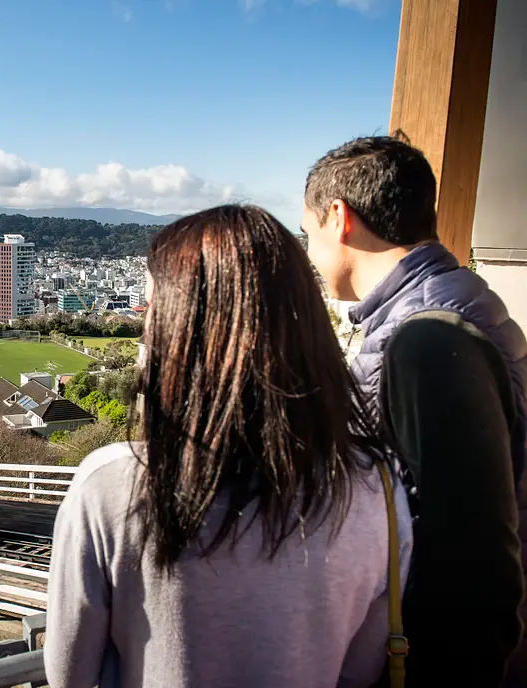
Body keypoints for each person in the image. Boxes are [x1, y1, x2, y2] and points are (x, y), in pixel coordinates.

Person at [44, 205, 412, 688]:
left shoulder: (111, 486)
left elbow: (68, 673)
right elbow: (360, 668)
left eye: (154, 312)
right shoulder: (374, 488)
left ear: (177, 334)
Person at [301, 134, 527, 687]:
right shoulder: (445, 303)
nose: (309, 252)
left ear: (339, 217)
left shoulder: (426, 335)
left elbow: (473, 555)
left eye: (308, 234)